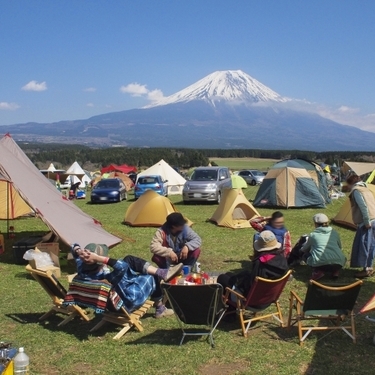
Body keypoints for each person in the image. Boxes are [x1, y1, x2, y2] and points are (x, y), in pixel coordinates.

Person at [71, 243, 183, 318]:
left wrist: (78, 250)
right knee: (151, 275)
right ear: (98, 261)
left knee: (129, 259)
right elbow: (122, 266)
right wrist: (99, 258)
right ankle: (160, 308)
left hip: (110, 304)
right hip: (127, 304)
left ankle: (161, 272)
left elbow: (73, 247)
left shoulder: (81, 268)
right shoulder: (107, 278)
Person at [217, 231, 289, 299]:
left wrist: (240, 282)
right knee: (228, 274)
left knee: (222, 278)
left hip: (251, 299)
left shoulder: (261, 263)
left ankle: (229, 307)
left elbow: (251, 285)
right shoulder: (282, 259)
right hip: (269, 297)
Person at [301, 214, 346, 280]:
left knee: (305, 255)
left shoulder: (313, 235)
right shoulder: (335, 233)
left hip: (321, 263)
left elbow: (305, 248)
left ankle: (318, 271)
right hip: (339, 262)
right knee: (335, 261)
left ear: (315, 224)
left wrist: (301, 250)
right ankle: (335, 271)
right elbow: (339, 247)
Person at [347, 175, 375, 278]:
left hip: (367, 222)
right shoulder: (366, 189)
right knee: (371, 245)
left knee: (365, 246)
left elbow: (363, 206)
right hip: (374, 218)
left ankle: (366, 269)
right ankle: (369, 266)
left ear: (351, 183)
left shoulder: (357, 191)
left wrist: (367, 221)